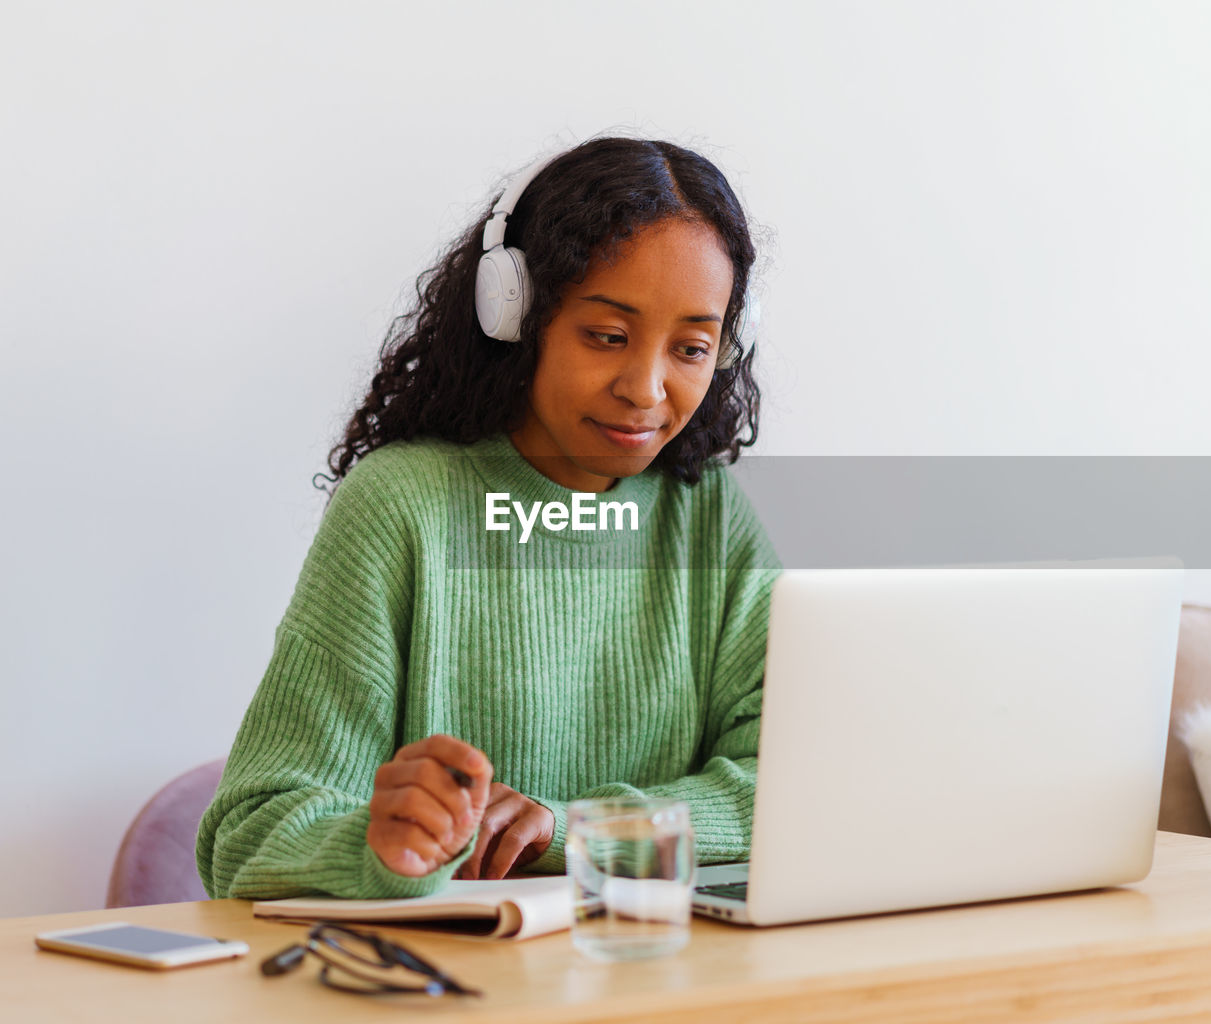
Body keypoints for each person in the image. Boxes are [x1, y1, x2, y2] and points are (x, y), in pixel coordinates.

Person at [196, 136, 782, 900]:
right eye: (607, 336)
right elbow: (252, 834)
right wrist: (384, 847)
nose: (646, 388)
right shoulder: (402, 507)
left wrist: (572, 827)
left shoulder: (712, 517)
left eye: (693, 348)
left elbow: (794, 782)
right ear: (514, 313)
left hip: (661, 981)